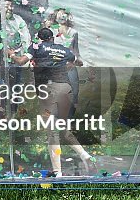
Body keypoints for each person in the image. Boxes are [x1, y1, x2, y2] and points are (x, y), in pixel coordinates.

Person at [8, 27, 94, 176]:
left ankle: (58, 172)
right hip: (65, 88)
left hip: (48, 90)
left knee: (52, 132)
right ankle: (84, 155)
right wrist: (70, 64)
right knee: (62, 127)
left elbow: (21, 61)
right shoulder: (63, 50)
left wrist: (11, 54)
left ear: (39, 38)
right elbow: (78, 62)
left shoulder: (36, 47)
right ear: (52, 38)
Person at [44, 8, 81, 118]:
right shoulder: (52, 32)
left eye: (64, 15)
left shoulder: (74, 32)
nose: (63, 17)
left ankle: (69, 118)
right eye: (60, 15)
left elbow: (76, 50)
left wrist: (78, 60)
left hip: (70, 66)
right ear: (55, 18)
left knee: (74, 92)